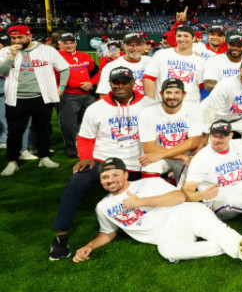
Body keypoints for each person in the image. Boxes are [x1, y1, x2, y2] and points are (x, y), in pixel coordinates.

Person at [71, 157, 242, 268]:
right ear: (101, 181)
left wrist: (141, 202)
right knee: (169, 251)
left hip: (185, 212)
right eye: (105, 177)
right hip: (166, 234)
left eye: (115, 175)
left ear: (126, 174)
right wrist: (89, 246)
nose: (110, 180)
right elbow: (108, 232)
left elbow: (179, 197)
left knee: (214, 230)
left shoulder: (148, 183)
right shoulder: (103, 207)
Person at [49, 66, 152, 260]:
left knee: (157, 187)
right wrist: (86, 158)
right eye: (116, 82)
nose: (120, 85)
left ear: (133, 83)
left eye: (124, 82)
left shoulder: (149, 105)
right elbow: (85, 138)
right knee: (77, 181)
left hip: (137, 161)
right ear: (110, 84)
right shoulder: (96, 108)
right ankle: (61, 235)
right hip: (102, 160)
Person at [0, 24, 70, 176]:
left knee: (42, 130)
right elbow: (1, 72)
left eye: (19, 37)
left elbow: (64, 68)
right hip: (15, 99)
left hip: (42, 97)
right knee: (14, 133)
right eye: (13, 38)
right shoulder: (5, 51)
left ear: (29, 36)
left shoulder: (47, 50)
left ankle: (44, 157)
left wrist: (62, 87)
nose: (16, 41)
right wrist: (11, 56)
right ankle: (12, 162)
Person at [138, 78, 203, 184]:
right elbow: (149, 148)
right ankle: (151, 196)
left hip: (185, 155)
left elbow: (194, 141)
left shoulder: (194, 109)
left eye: (177, 92)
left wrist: (171, 154)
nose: (172, 96)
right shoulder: (147, 113)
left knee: (189, 189)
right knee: (149, 166)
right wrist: (180, 156)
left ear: (184, 94)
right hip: (166, 156)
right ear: (161, 94)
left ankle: (172, 180)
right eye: (168, 92)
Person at [55, 32, 99, 159]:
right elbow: (52, 77)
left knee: (95, 120)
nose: (69, 45)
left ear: (75, 43)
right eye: (65, 43)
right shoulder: (55, 57)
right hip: (69, 95)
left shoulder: (84, 56)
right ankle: (72, 149)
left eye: (71, 42)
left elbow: (96, 72)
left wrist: (91, 83)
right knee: (69, 124)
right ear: (59, 44)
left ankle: (96, 146)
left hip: (87, 94)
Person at [144, 25, 204, 104]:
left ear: (193, 39)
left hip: (189, 108)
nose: (182, 39)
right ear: (175, 38)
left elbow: (202, 87)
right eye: (179, 36)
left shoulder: (200, 60)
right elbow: (149, 79)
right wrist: (151, 103)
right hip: (164, 106)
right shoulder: (161, 54)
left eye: (186, 36)